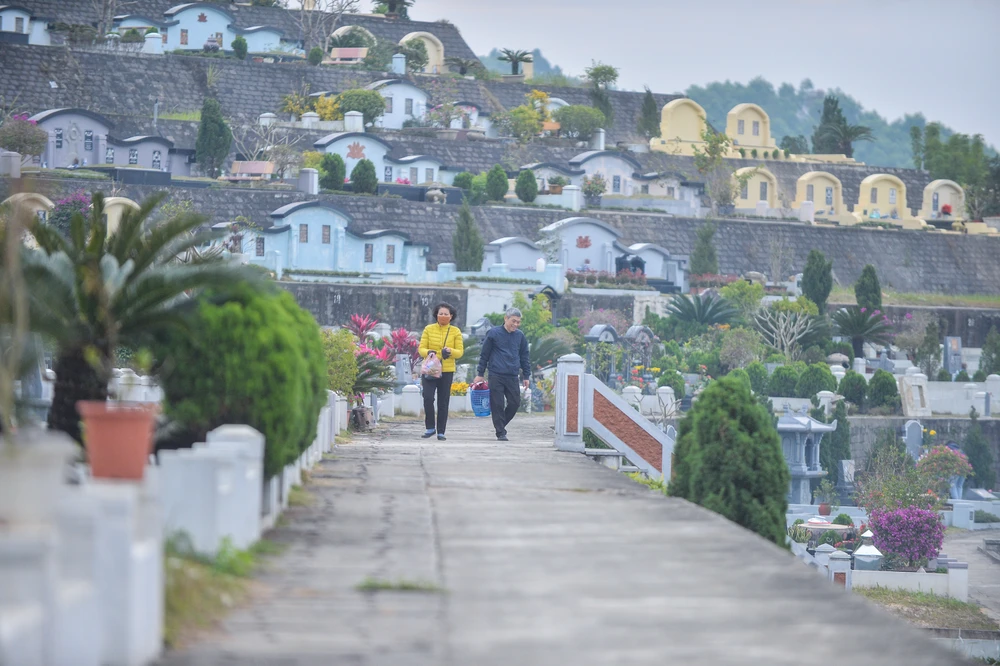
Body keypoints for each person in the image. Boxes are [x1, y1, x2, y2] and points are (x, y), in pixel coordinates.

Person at [474, 307, 530, 442]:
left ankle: (500, 424)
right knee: (497, 404)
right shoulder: (493, 333)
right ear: (506, 319)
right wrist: (480, 373)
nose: (516, 324)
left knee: (515, 403)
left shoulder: (520, 336)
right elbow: (484, 354)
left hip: (512, 375)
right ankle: (500, 432)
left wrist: (526, 376)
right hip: (496, 374)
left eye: (518, 322)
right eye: (513, 321)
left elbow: (524, 356)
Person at [418, 302, 464, 441]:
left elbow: (460, 352)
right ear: (436, 315)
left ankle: (441, 431)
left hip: (447, 370)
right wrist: (429, 352)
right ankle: (430, 427)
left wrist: (450, 351)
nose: (443, 316)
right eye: (440, 313)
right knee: (428, 398)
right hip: (430, 369)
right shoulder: (428, 329)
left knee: (443, 401)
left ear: (451, 316)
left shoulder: (455, 331)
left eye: (446, 314)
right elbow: (421, 349)